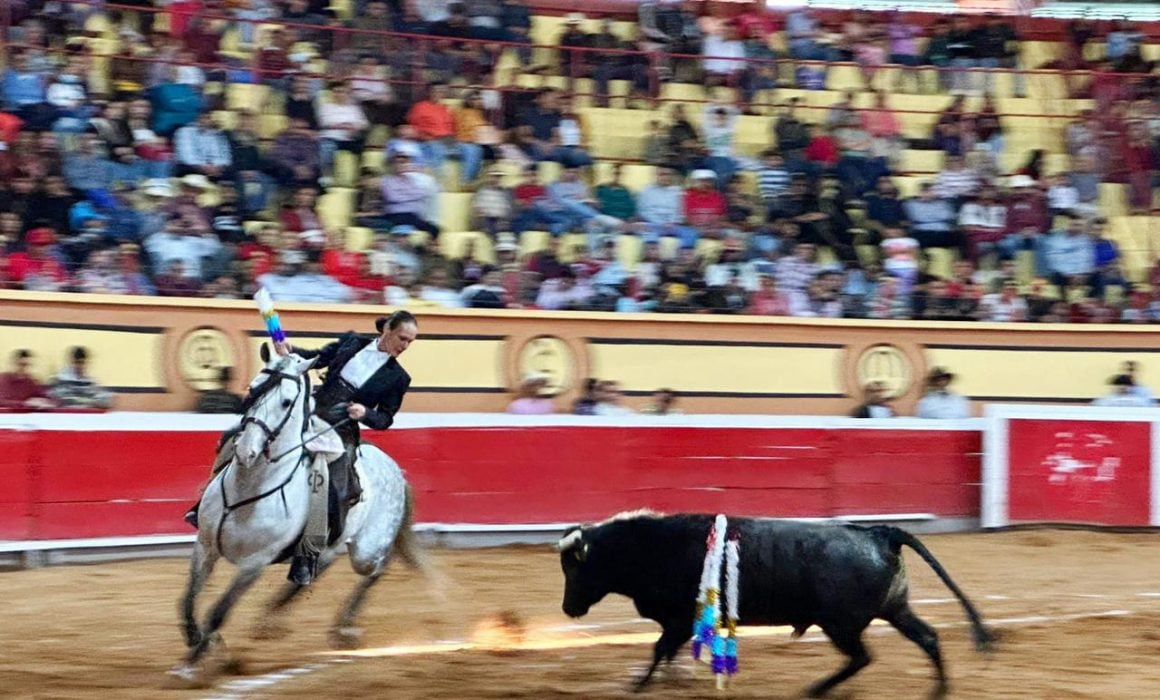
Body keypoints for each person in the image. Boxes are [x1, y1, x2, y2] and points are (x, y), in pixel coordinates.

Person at [187, 311, 417, 587]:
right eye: (402, 338)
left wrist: (365, 412)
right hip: (308, 411)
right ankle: (205, 505)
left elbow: (385, 418)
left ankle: (308, 554)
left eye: (409, 342)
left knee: (332, 480)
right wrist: (290, 351)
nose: (404, 346)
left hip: (340, 429)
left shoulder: (399, 378)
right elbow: (318, 357)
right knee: (236, 435)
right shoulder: (352, 342)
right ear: (388, 329)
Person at [49, 346, 113, 409]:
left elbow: (106, 401)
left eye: (82, 363)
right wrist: (89, 402)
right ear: (71, 362)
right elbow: (62, 400)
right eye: (77, 362)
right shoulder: (61, 380)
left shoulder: (90, 382)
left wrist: (83, 402)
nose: (80, 366)